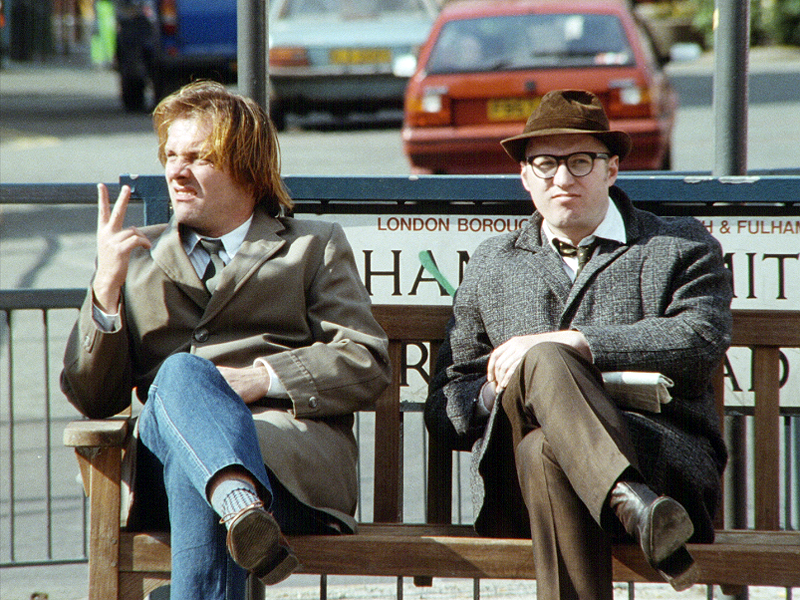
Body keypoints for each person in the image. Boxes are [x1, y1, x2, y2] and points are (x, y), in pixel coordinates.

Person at [61, 80, 391, 599]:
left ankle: (232, 498)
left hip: (285, 469)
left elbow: (365, 360)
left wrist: (262, 378)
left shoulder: (312, 246)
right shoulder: (134, 257)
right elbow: (92, 398)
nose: (176, 171)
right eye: (171, 156)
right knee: (183, 375)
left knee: (195, 468)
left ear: (248, 169)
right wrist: (105, 289)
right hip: (165, 467)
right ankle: (237, 502)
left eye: (198, 157)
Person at [424, 89, 732, 599]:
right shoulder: (493, 263)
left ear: (612, 170)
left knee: (546, 446)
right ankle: (629, 499)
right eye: (545, 164)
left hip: (663, 473)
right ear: (525, 176)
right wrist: (504, 387)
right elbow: (445, 408)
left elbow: (699, 341)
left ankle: (628, 495)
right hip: (519, 494)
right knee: (540, 369)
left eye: (581, 161)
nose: (562, 179)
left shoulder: (678, 245)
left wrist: (575, 342)